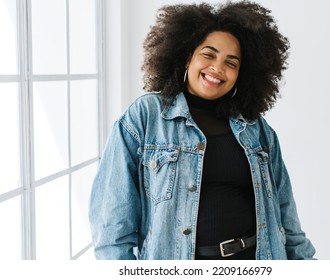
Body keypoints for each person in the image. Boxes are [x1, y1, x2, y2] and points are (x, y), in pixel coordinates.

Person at [89, 1, 316, 260]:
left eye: (231, 63)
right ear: (187, 57)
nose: (218, 68)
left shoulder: (256, 127)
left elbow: (286, 216)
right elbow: (111, 229)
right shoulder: (145, 116)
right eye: (208, 55)